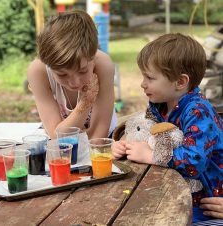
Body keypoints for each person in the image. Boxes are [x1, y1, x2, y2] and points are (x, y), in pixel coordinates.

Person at [112, 33, 223, 223]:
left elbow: (193, 161)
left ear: (180, 82)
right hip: (175, 191)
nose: (142, 83)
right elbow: (145, 132)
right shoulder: (160, 104)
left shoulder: (198, 111)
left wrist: (151, 156)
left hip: (206, 203)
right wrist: (124, 145)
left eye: (150, 77)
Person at [27, 10, 117, 139]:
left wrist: (63, 131)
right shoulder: (37, 71)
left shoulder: (104, 65)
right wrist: (86, 102)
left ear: (93, 56)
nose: (74, 82)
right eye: (62, 75)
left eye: (82, 71)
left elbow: (98, 138)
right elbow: (56, 136)